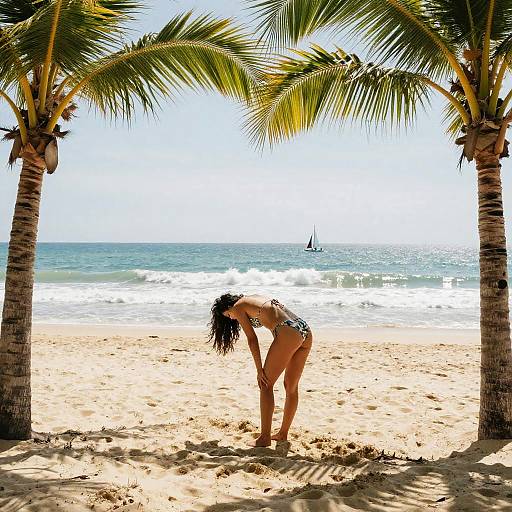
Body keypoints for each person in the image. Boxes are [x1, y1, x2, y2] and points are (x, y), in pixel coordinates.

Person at [208, 293, 313, 447]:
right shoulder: (254, 297)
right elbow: (275, 318)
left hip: (288, 331)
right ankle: (283, 434)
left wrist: (259, 369)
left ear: (229, 307)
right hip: (304, 329)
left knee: (265, 384)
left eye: (228, 315)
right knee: (291, 386)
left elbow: (252, 339)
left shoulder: (238, 307)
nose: (231, 318)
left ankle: (264, 438)